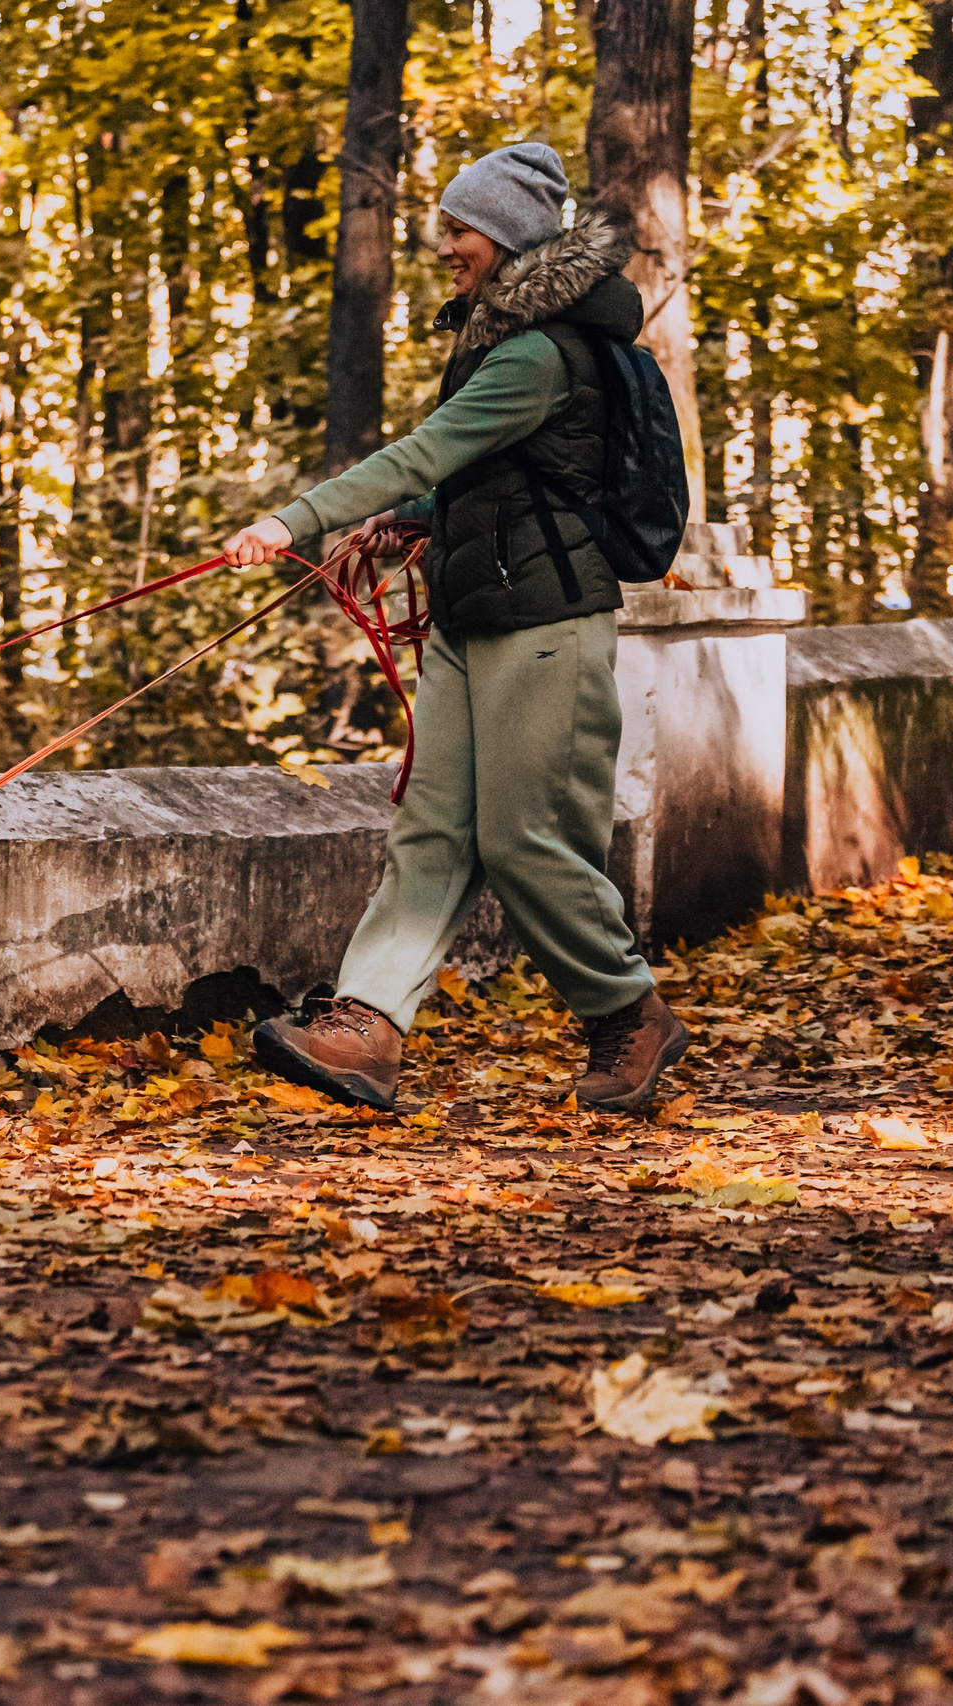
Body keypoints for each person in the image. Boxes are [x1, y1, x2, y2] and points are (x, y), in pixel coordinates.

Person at [228, 142, 689, 1115]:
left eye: (460, 227)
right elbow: (485, 477)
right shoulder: (499, 341)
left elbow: (425, 449)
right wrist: (411, 521)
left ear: (511, 235)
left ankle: (626, 1010)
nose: (446, 245)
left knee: (524, 839)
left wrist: (291, 522)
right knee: (430, 829)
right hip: (473, 612)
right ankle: (367, 1027)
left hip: (548, 620)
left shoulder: (538, 353)